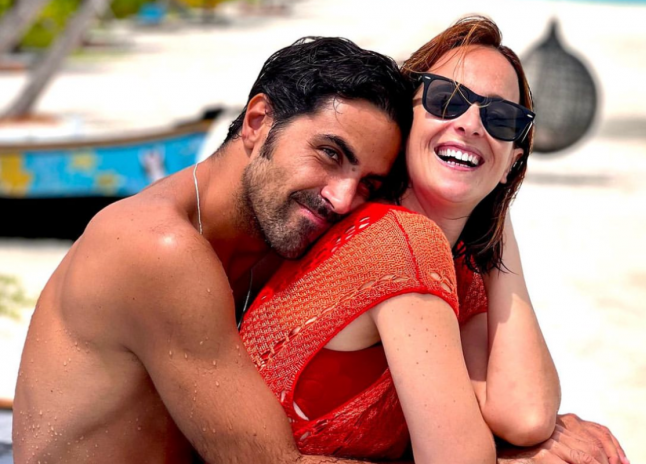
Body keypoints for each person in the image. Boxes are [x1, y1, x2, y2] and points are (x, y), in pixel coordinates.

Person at [238, 16, 629, 464]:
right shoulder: (400, 243)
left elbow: (524, 414)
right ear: (407, 123)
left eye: (501, 118)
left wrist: (498, 215)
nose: (472, 124)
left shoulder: (453, 262)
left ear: (512, 162)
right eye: (446, 99)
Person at [12, 37, 413, 464]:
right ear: (258, 122)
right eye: (330, 154)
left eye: (367, 183)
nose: (343, 199)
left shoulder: (278, 240)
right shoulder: (156, 246)